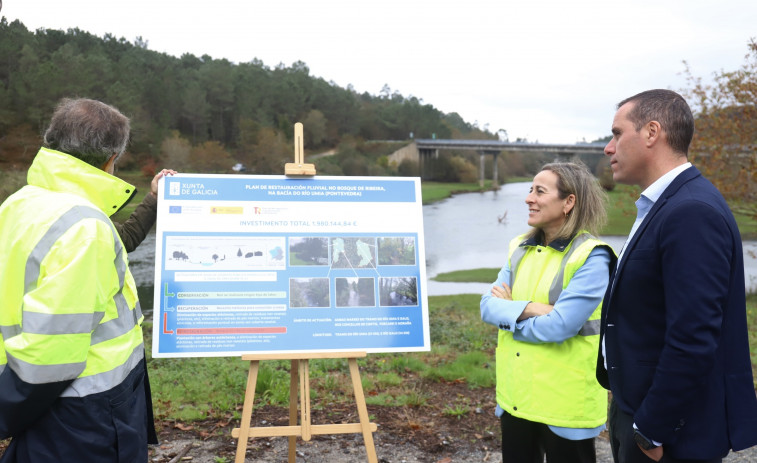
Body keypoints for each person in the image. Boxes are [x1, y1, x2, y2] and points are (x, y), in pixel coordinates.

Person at [597, 89, 757, 463]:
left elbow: (693, 335)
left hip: (669, 435)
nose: (608, 147)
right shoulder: (665, 205)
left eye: (617, 133)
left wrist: (652, 429)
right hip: (638, 411)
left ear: (652, 133)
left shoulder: (691, 212)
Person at [0, 98, 158, 462]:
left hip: (45, 401)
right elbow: (50, 358)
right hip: (87, 414)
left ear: (50, 140)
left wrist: (151, 200)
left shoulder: (20, 204)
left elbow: (120, 238)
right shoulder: (86, 227)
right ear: (110, 160)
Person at [481, 162, 617, 463]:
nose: (529, 198)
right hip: (516, 399)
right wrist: (531, 308)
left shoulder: (592, 256)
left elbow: (560, 326)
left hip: (565, 406)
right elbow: (487, 306)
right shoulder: (519, 247)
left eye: (539, 191)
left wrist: (510, 317)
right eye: (530, 190)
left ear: (569, 202)